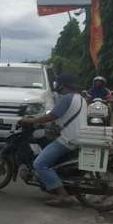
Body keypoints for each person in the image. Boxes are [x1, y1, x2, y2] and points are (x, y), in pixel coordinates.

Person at [19, 73, 86, 207]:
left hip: (68, 139)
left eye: (58, 83)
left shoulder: (67, 98)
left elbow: (52, 116)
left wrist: (31, 121)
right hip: (79, 136)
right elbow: (63, 117)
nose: (57, 86)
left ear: (62, 85)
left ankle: (63, 196)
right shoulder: (81, 98)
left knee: (39, 164)